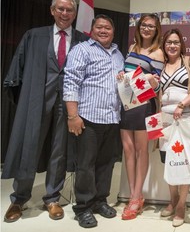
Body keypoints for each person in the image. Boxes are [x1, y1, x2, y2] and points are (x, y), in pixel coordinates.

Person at [2, 0, 88, 223]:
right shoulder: (34, 36)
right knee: (29, 146)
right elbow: (16, 72)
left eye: (69, 10)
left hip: (68, 104)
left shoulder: (82, 40)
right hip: (36, 101)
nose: (64, 14)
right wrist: (26, 99)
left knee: (59, 150)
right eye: (60, 9)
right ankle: (19, 199)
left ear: (75, 13)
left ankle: (51, 198)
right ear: (52, 10)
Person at [63, 14, 124, 228]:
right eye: (99, 27)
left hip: (112, 118)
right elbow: (71, 81)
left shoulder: (118, 54)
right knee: (86, 165)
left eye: (108, 27)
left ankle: (100, 201)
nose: (104, 30)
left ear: (113, 31)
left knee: (107, 163)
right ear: (92, 29)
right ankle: (83, 207)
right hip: (87, 118)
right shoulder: (81, 50)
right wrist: (73, 115)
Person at [158, 28, 190, 227]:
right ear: (164, 44)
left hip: (186, 120)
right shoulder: (160, 66)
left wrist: (182, 104)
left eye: (176, 42)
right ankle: (172, 200)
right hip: (165, 122)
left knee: (185, 162)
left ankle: (181, 206)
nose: (172, 45)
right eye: (169, 42)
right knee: (168, 161)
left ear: (182, 44)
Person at [120, 13, 164, 220]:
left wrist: (150, 79)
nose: (147, 29)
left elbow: (158, 84)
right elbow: (126, 74)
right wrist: (121, 75)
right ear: (139, 27)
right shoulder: (131, 48)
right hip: (126, 103)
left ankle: (137, 197)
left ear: (156, 30)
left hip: (144, 106)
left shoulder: (158, 53)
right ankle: (132, 195)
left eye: (151, 26)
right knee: (128, 151)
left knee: (141, 151)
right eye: (144, 25)